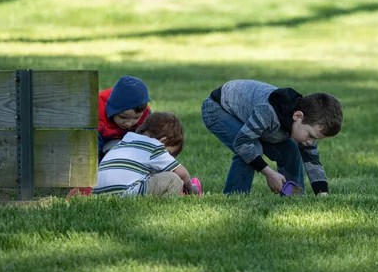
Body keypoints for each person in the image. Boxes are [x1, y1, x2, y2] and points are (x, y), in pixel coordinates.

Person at [200, 79, 342, 196]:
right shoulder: (268, 111)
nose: (310, 142)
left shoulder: (304, 123)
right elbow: (242, 143)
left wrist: (323, 194)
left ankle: (294, 199)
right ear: (297, 116)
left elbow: (313, 162)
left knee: (291, 150)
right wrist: (269, 174)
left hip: (253, 120)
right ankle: (234, 197)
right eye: (310, 135)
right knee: (252, 147)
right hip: (217, 109)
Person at [93, 111, 201, 197]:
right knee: (173, 178)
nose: (167, 158)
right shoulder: (155, 145)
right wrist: (190, 186)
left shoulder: (126, 141)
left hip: (98, 192)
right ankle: (182, 195)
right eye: (168, 153)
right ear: (163, 141)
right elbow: (182, 173)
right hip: (126, 192)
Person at [97, 75, 152, 164]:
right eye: (123, 117)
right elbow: (92, 150)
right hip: (106, 157)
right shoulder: (98, 118)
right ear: (111, 110)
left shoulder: (146, 118)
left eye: (136, 118)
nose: (129, 123)